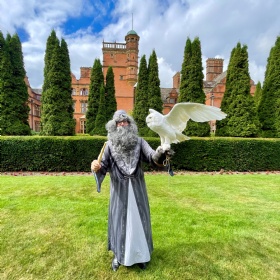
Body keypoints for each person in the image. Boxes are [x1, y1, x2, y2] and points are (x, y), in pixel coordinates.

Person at [91, 110, 166, 271]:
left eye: (125, 122)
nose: (122, 125)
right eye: (119, 123)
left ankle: (142, 256)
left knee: (140, 222)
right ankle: (119, 256)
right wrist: (95, 167)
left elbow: (152, 157)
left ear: (130, 124)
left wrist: (161, 153)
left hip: (138, 191)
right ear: (114, 126)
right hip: (119, 193)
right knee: (120, 223)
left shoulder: (140, 142)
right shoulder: (109, 145)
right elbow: (102, 166)